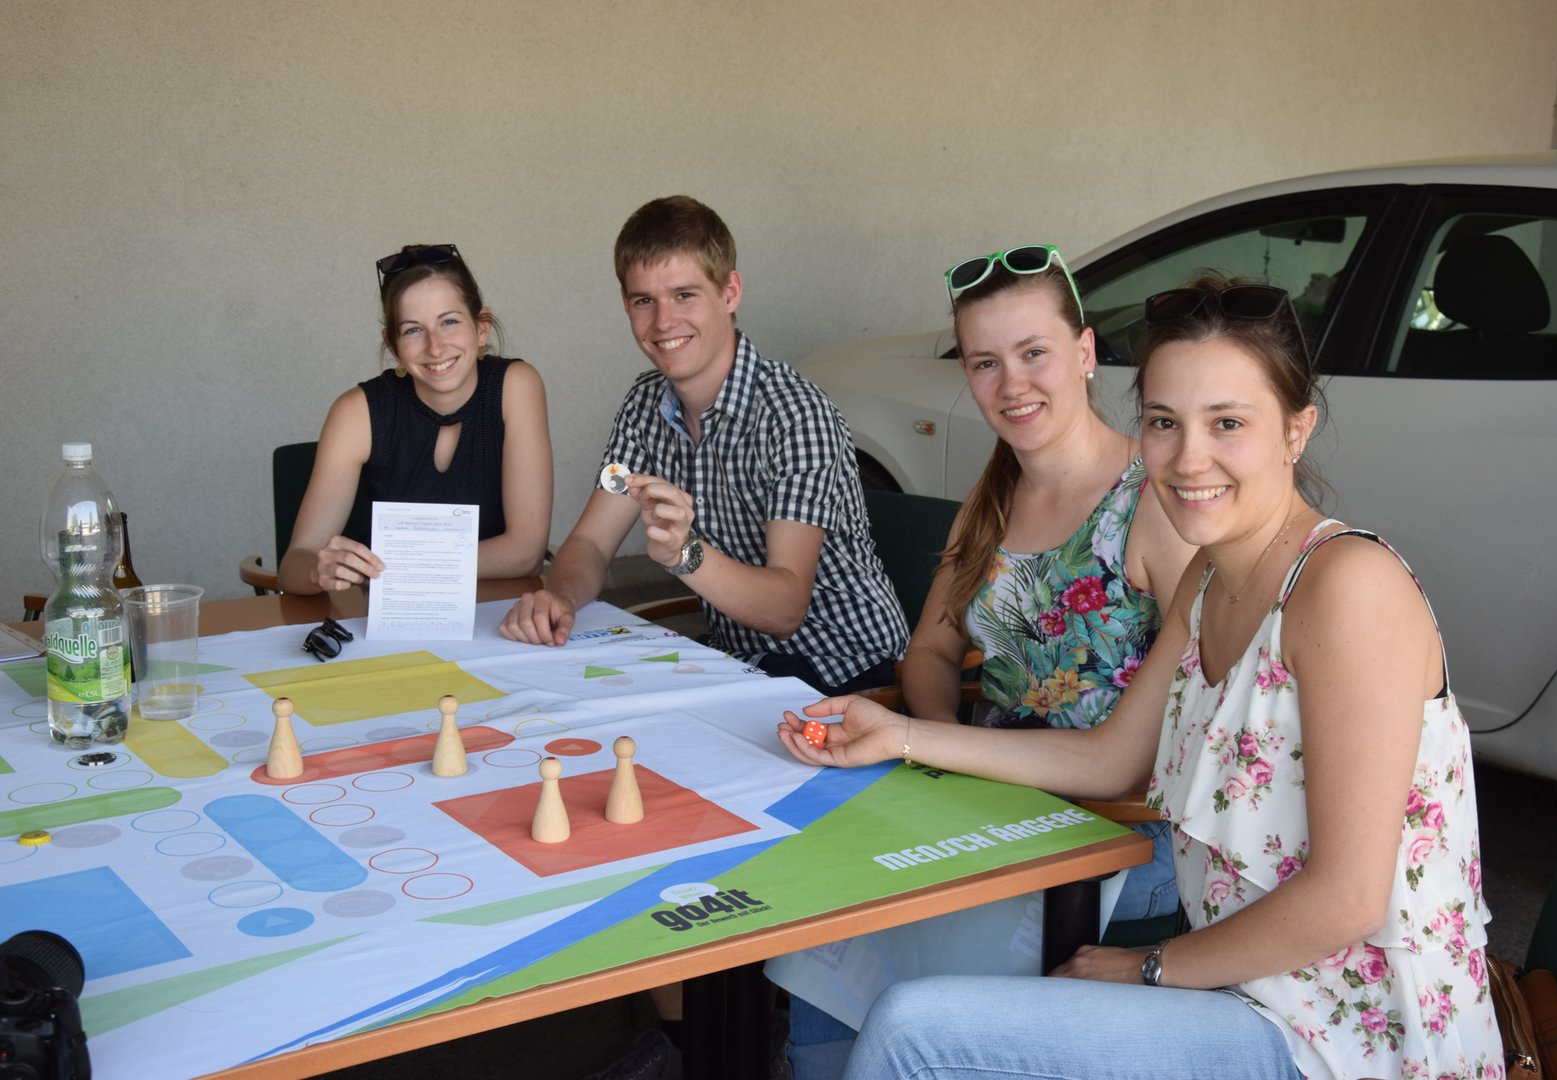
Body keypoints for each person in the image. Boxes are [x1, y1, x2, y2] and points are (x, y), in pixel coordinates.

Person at [779, 274, 1499, 1079]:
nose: (1189, 458)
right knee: (856, 954)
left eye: (1228, 423)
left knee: (911, 1030)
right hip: (1245, 995)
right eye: (1163, 422)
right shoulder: (1209, 581)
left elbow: (1349, 898)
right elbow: (1108, 757)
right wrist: (902, 735)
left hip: (1349, 1039)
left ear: (1297, 430)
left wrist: (1150, 966)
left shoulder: (1347, 586)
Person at [769, 246, 1196, 1080]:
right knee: (832, 908)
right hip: (989, 803)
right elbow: (931, 647)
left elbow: (1156, 749)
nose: (1012, 384)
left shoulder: (1155, 504)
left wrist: (930, 750)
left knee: (899, 939)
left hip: (1119, 837)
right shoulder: (995, 494)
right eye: (984, 362)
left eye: (1034, 352)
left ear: (1084, 352)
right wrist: (939, 747)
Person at [499, 196, 908, 697]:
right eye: (644, 300)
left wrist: (685, 554)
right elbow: (590, 543)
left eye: (684, 295)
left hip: (848, 672)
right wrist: (559, 598)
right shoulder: (645, 403)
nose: (663, 322)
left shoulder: (796, 414)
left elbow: (785, 609)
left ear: (729, 292)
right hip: (737, 662)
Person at [280, 244, 552, 594]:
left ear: (481, 328)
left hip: (497, 610)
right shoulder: (355, 412)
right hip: (388, 612)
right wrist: (318, 571)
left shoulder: (516, 386)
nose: (435, 347)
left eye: (449, 322)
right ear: (392, 345)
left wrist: (399, 568)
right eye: (412, 330)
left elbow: (526, 555)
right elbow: (294, 565)